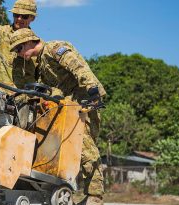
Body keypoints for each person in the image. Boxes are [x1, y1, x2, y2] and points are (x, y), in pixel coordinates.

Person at [9, 28, 106, 205]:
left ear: (30, 41)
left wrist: (92, 89)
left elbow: (78, 66)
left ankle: (95, 196)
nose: (19, 54)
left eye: (19, 48)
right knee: (63, 151)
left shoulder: (54, 48)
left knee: (85, 149)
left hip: (85, 102)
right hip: (68, 107)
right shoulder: (40, 63)